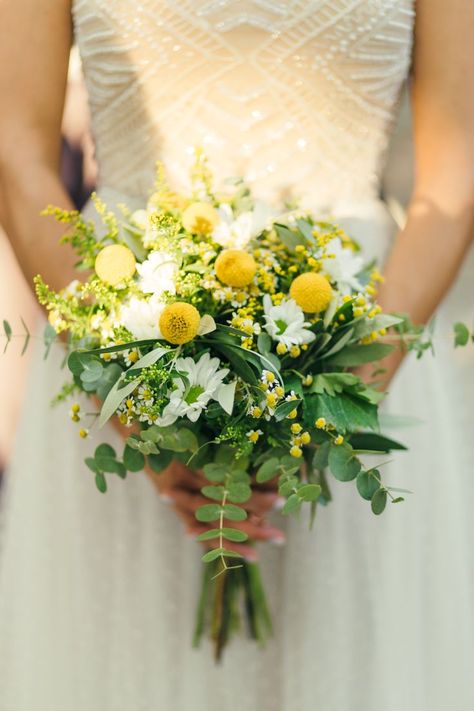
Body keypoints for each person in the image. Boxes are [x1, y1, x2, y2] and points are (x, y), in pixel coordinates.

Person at [0, 2, 473, 710]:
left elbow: (455, 172)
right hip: (117, 334)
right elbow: (16, 149)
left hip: (363, 342)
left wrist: (332, 401)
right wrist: (131, 399)